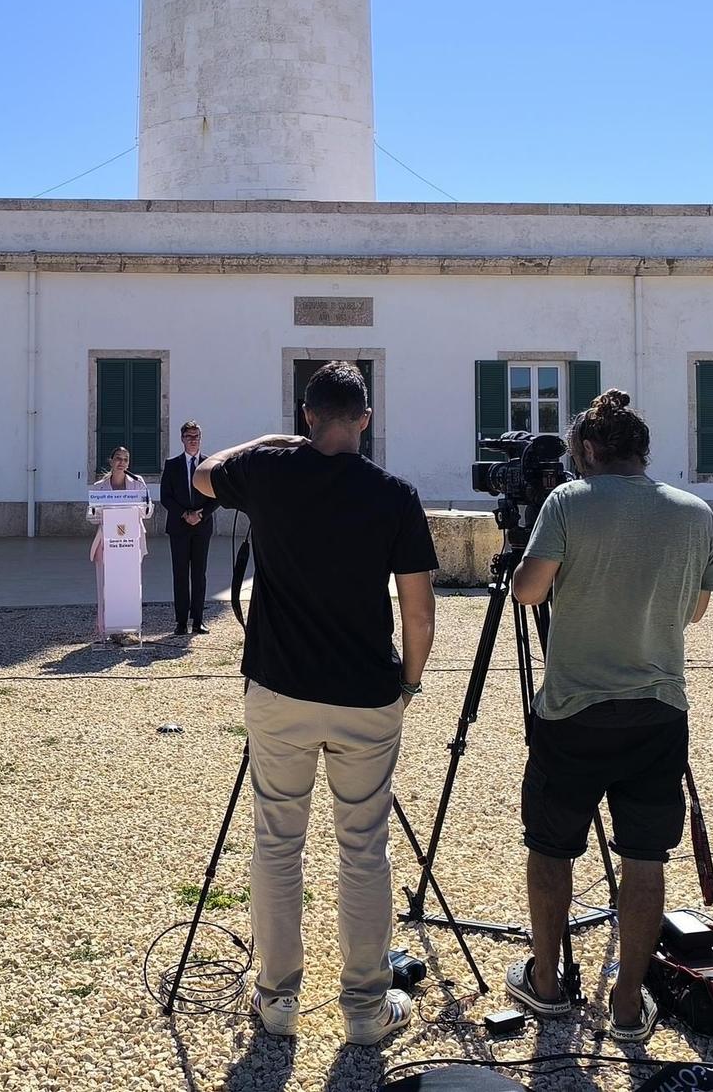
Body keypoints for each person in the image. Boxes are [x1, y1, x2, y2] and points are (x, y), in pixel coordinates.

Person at [194, 362, 438, 1047]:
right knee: (363, 848)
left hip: (280, 687)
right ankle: (364, 1008)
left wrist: (278, 439)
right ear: (365, 418)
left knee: (279, 844)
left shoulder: (270, 473)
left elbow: (205, 474)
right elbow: (418, 615)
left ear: (307, 417)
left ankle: (277, 1000)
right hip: (365, 694)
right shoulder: (394, 494)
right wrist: (409, 686)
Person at [505, 390, 713, 1041]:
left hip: (573, 712)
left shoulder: (569, 503)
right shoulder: (694, 513)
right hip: (658, 713)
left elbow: (528, 592)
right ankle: (627, 1003)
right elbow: (695, 611)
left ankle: (547, 985)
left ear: (591, 451)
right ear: (640, 450)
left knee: (550, 846)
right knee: (646, 858)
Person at [88, 445, 153, 640]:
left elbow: (148, 511)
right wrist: (99, 513)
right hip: (107, 543)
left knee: (131, 585)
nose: (121, 462)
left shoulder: (138, 483)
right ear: (111, 461)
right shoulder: (100, 486)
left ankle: (129, 627)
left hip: (131, 543)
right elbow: (90, 516)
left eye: (125, 459)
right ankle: (105, 628)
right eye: (118, 458)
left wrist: (145, 506)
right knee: (105, 586)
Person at [160, 421, 216, 635]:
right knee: (180, 574)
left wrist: (200, 514)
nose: (193, 440)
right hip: (179, 527)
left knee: (199, 574)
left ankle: (198, 620)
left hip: (202, 527)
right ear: (182, 439)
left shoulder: (209, 464)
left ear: (200, 439)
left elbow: (217, 495)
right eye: (189, 436)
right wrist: (185, 514)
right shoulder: (172, 465)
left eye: (196, 436)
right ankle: (181, 621)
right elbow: (166, 497)